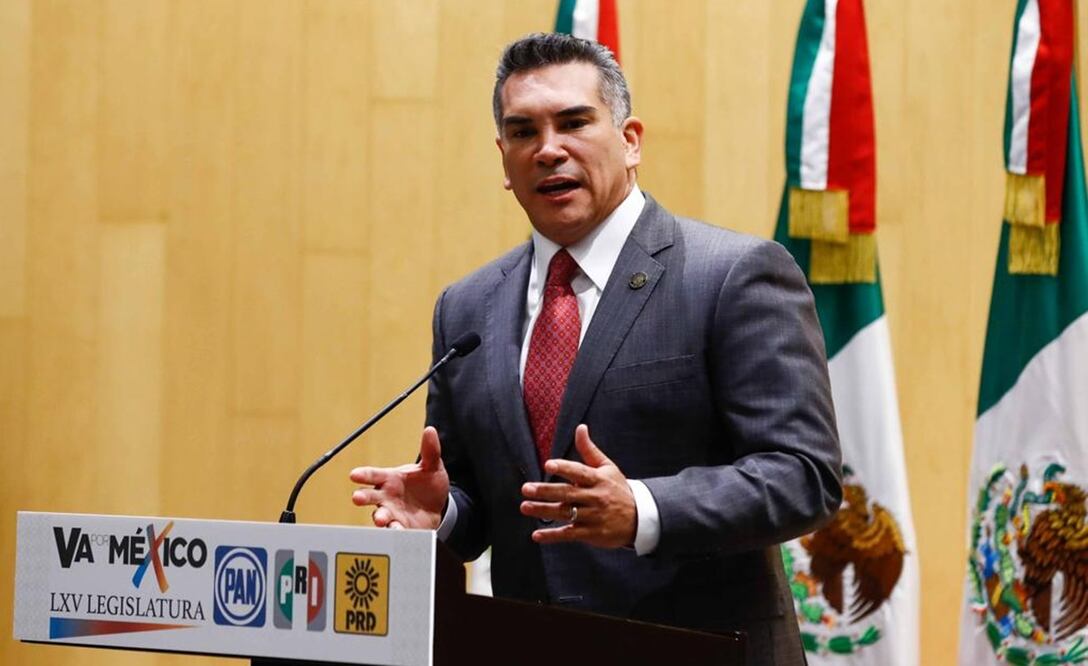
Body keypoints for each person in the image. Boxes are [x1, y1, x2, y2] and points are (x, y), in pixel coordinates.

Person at [350, 32, 842, 665]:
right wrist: (443, 511)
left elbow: (804, 475)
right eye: (523, 132)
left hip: (704, 649)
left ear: (630, 140)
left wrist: (642, 509)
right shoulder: (467, 307)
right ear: (504, 160)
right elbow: (488, 511)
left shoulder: (732, 275)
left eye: (574, 122)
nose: (548, 149)